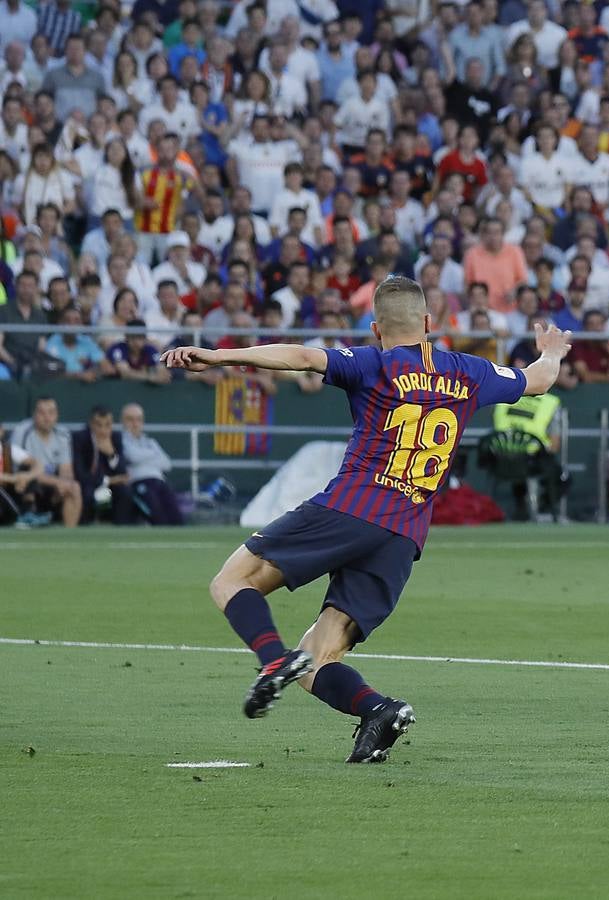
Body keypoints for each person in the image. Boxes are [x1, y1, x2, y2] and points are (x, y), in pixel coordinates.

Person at [161, 276, 571, 764]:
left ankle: (272, 660)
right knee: (318, 657)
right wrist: (552, 352)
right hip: (404, 535)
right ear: (427, 324)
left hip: (353, 507)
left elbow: (304, 358)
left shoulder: (373, 362)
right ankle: (378, 712)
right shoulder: (471, 372)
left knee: (231, 581)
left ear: (376, 328)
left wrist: (219, 357)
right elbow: (539, 381)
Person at [489, 393, 569, 520]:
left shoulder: (501, 396)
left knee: (519, 467)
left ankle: (522, 507)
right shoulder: (550, 402)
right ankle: (541, 508)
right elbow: (554, 446)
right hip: (532, 462)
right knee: (563, 478)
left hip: (499, 462)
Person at [9, 396, 81, 527]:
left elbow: (66, 470)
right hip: (25, 487)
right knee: (28, 478)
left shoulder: (63, 434)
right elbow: (20, 472)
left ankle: (70, 536)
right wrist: (57, 482)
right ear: (34, 415)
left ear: (57, 415)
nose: (47, 418)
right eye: (42, 413)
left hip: (52, 486)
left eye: (51, 413)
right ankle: (28, 517)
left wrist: (63, 485)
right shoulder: (22, 432)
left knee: (73, 486)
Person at [120, 403, 183, 526]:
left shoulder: (150, 442)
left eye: (139, 419)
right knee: (158, 517)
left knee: (177, 518)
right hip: (139, 483)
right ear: (122, 421)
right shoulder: (121, 440)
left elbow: (167, 463)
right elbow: (133, 457)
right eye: (130, 419)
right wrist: (153, 455)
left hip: (160, 482)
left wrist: (143, 456)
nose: (135, 423)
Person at [72, 405, 136, 525]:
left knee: (124, 492)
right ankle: (85, 528)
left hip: (109, 489)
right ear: (91, 424)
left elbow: (122, 472)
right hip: (90, 485)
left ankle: (122, 530)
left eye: (108, 425)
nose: (103, 430)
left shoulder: (116, 437)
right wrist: (108, 480)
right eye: (98, 425)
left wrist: (111, 454)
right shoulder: (80, 438)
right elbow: (80, 474)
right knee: (87, 493)